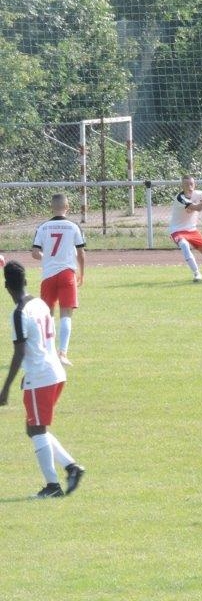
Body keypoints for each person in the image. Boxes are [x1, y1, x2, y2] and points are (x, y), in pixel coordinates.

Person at [0, 261, 85, 497]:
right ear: (26, 281)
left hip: (41, 377)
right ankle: (71, 467)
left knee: (37, 429)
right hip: (54, 372)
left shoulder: (18, 314)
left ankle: (53, 486)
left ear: (6, 286)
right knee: (33, 428)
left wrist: (5, 388)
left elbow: (19, 352)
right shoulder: (39, 303)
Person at [31, 193, 85, 366]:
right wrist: (82, 273)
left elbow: (35, 253)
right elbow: (81, 252)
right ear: (67, 207)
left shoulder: (43, 227)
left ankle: (49, 352)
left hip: (48, 275)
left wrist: (46, 257)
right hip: (67, 274)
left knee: (48, 315)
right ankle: (62, 353)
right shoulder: (73, 226)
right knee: (66, 313)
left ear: (51, 207)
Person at [169, 175, 202, 283]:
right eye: (186, 184)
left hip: (192, 230)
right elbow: (198, 208)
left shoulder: (197, 193)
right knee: (184, 245)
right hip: (177, 230)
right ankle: (197, 274)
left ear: (194, 184)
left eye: (191, 184)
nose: (190, 187)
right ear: (182, 186)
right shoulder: (180, 198)